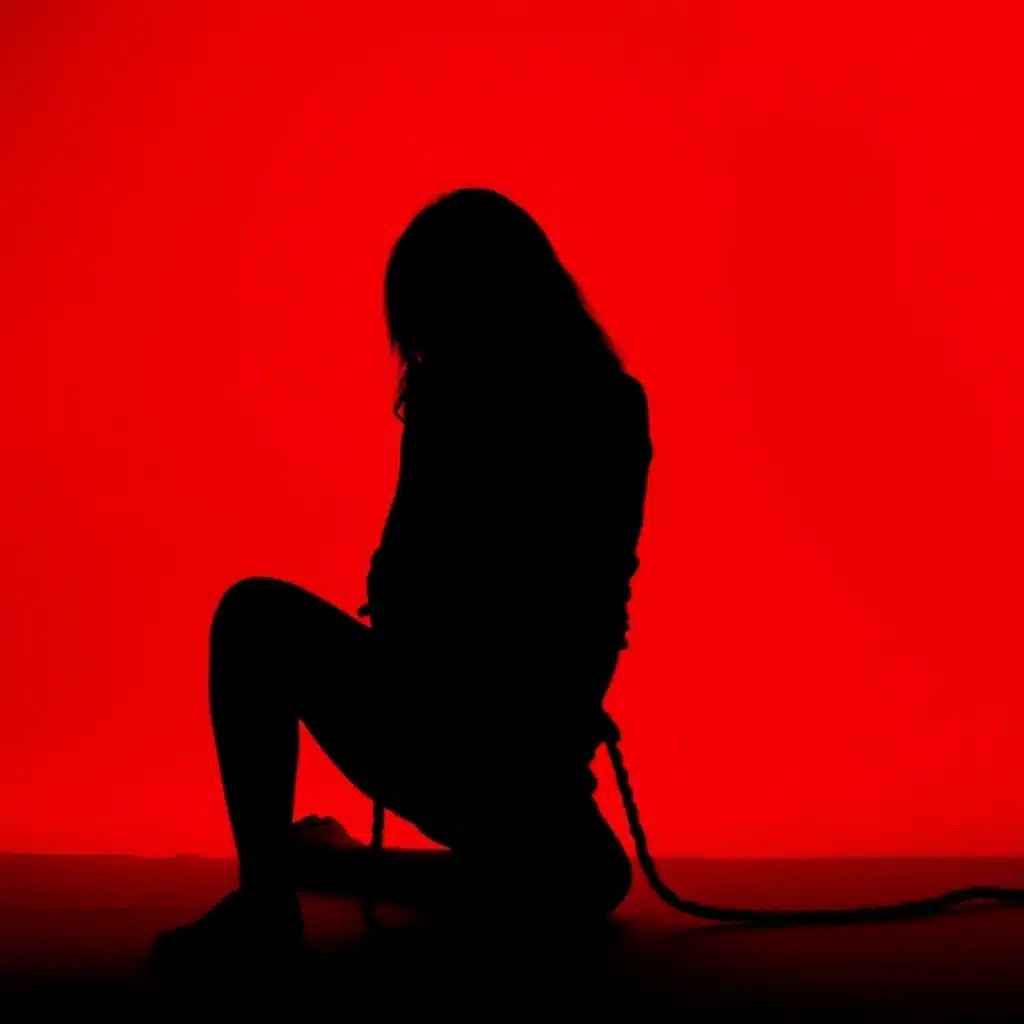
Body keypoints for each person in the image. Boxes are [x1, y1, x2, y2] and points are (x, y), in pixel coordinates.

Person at [154, 187, 653, 967]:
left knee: (254, 617)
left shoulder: (464, 405)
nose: (418, 350)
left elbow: (409, 588)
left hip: (489, 744)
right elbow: (579, 605)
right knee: (579, 877)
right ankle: (303, 881)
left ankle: (292, 886)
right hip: (518, 748)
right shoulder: (602, 406)